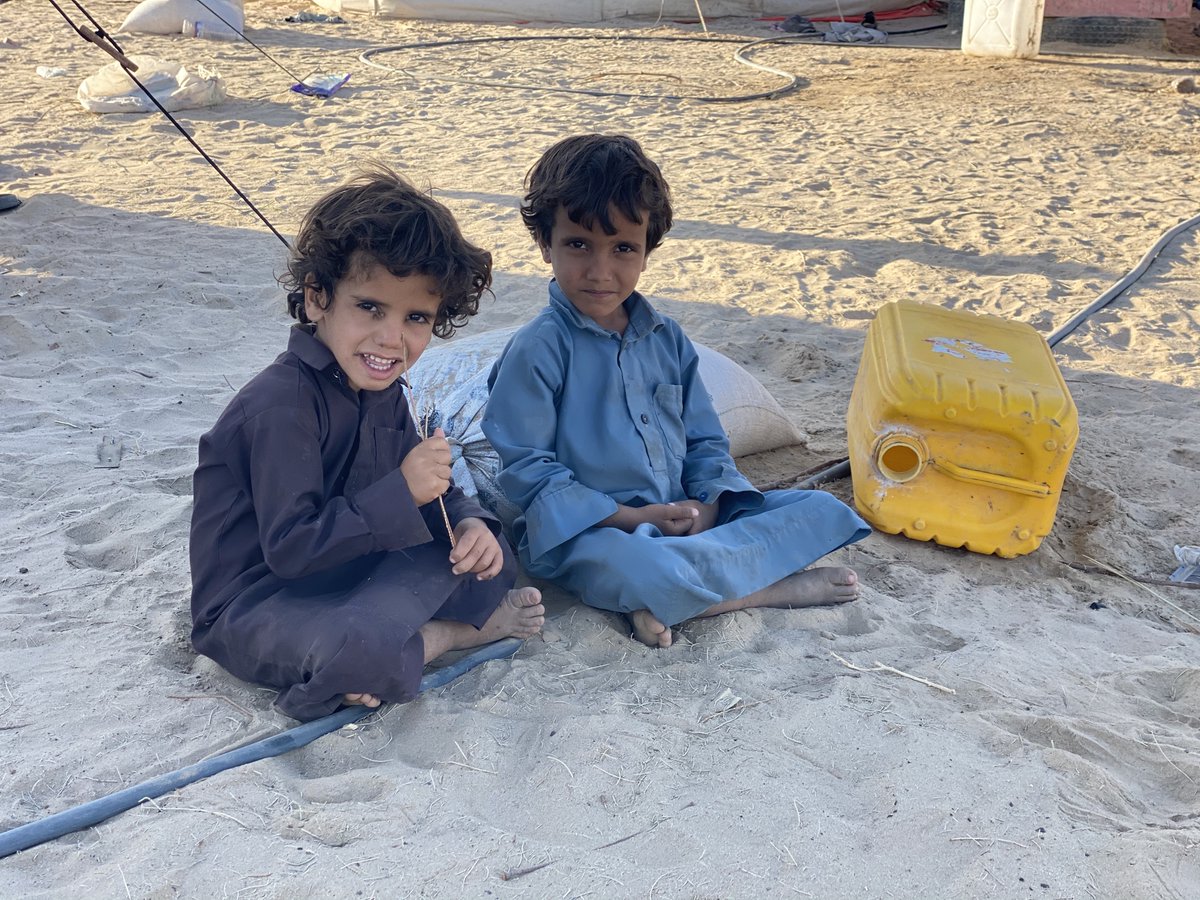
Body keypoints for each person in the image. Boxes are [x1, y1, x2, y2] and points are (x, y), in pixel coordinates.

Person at [482, 134, 869, 648]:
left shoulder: (668, 340)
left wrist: (707, 505)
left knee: (823, 511)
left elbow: (706, 440)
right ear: (545, 244)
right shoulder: (538, 349)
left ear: (647, 251)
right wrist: (632, 518)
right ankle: (762, 591)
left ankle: (675, 596)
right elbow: (529, 470)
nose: (600, 271)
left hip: (687, 522)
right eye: (578, 245)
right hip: (595, 534)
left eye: (623, 248)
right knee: (640, 565)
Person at [189, 167, 544, 721]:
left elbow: (434, 492)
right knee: (353, 648)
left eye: (416, 317)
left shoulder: (384, 391)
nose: (391, 338)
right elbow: (292, 549)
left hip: (352, 571)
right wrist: (404, 491)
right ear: (317, 298)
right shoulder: (280, 406)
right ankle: (444, 637)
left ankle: (401, 637)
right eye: (370, 307)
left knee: (490, 559)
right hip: (258, 601)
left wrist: (469, 523)